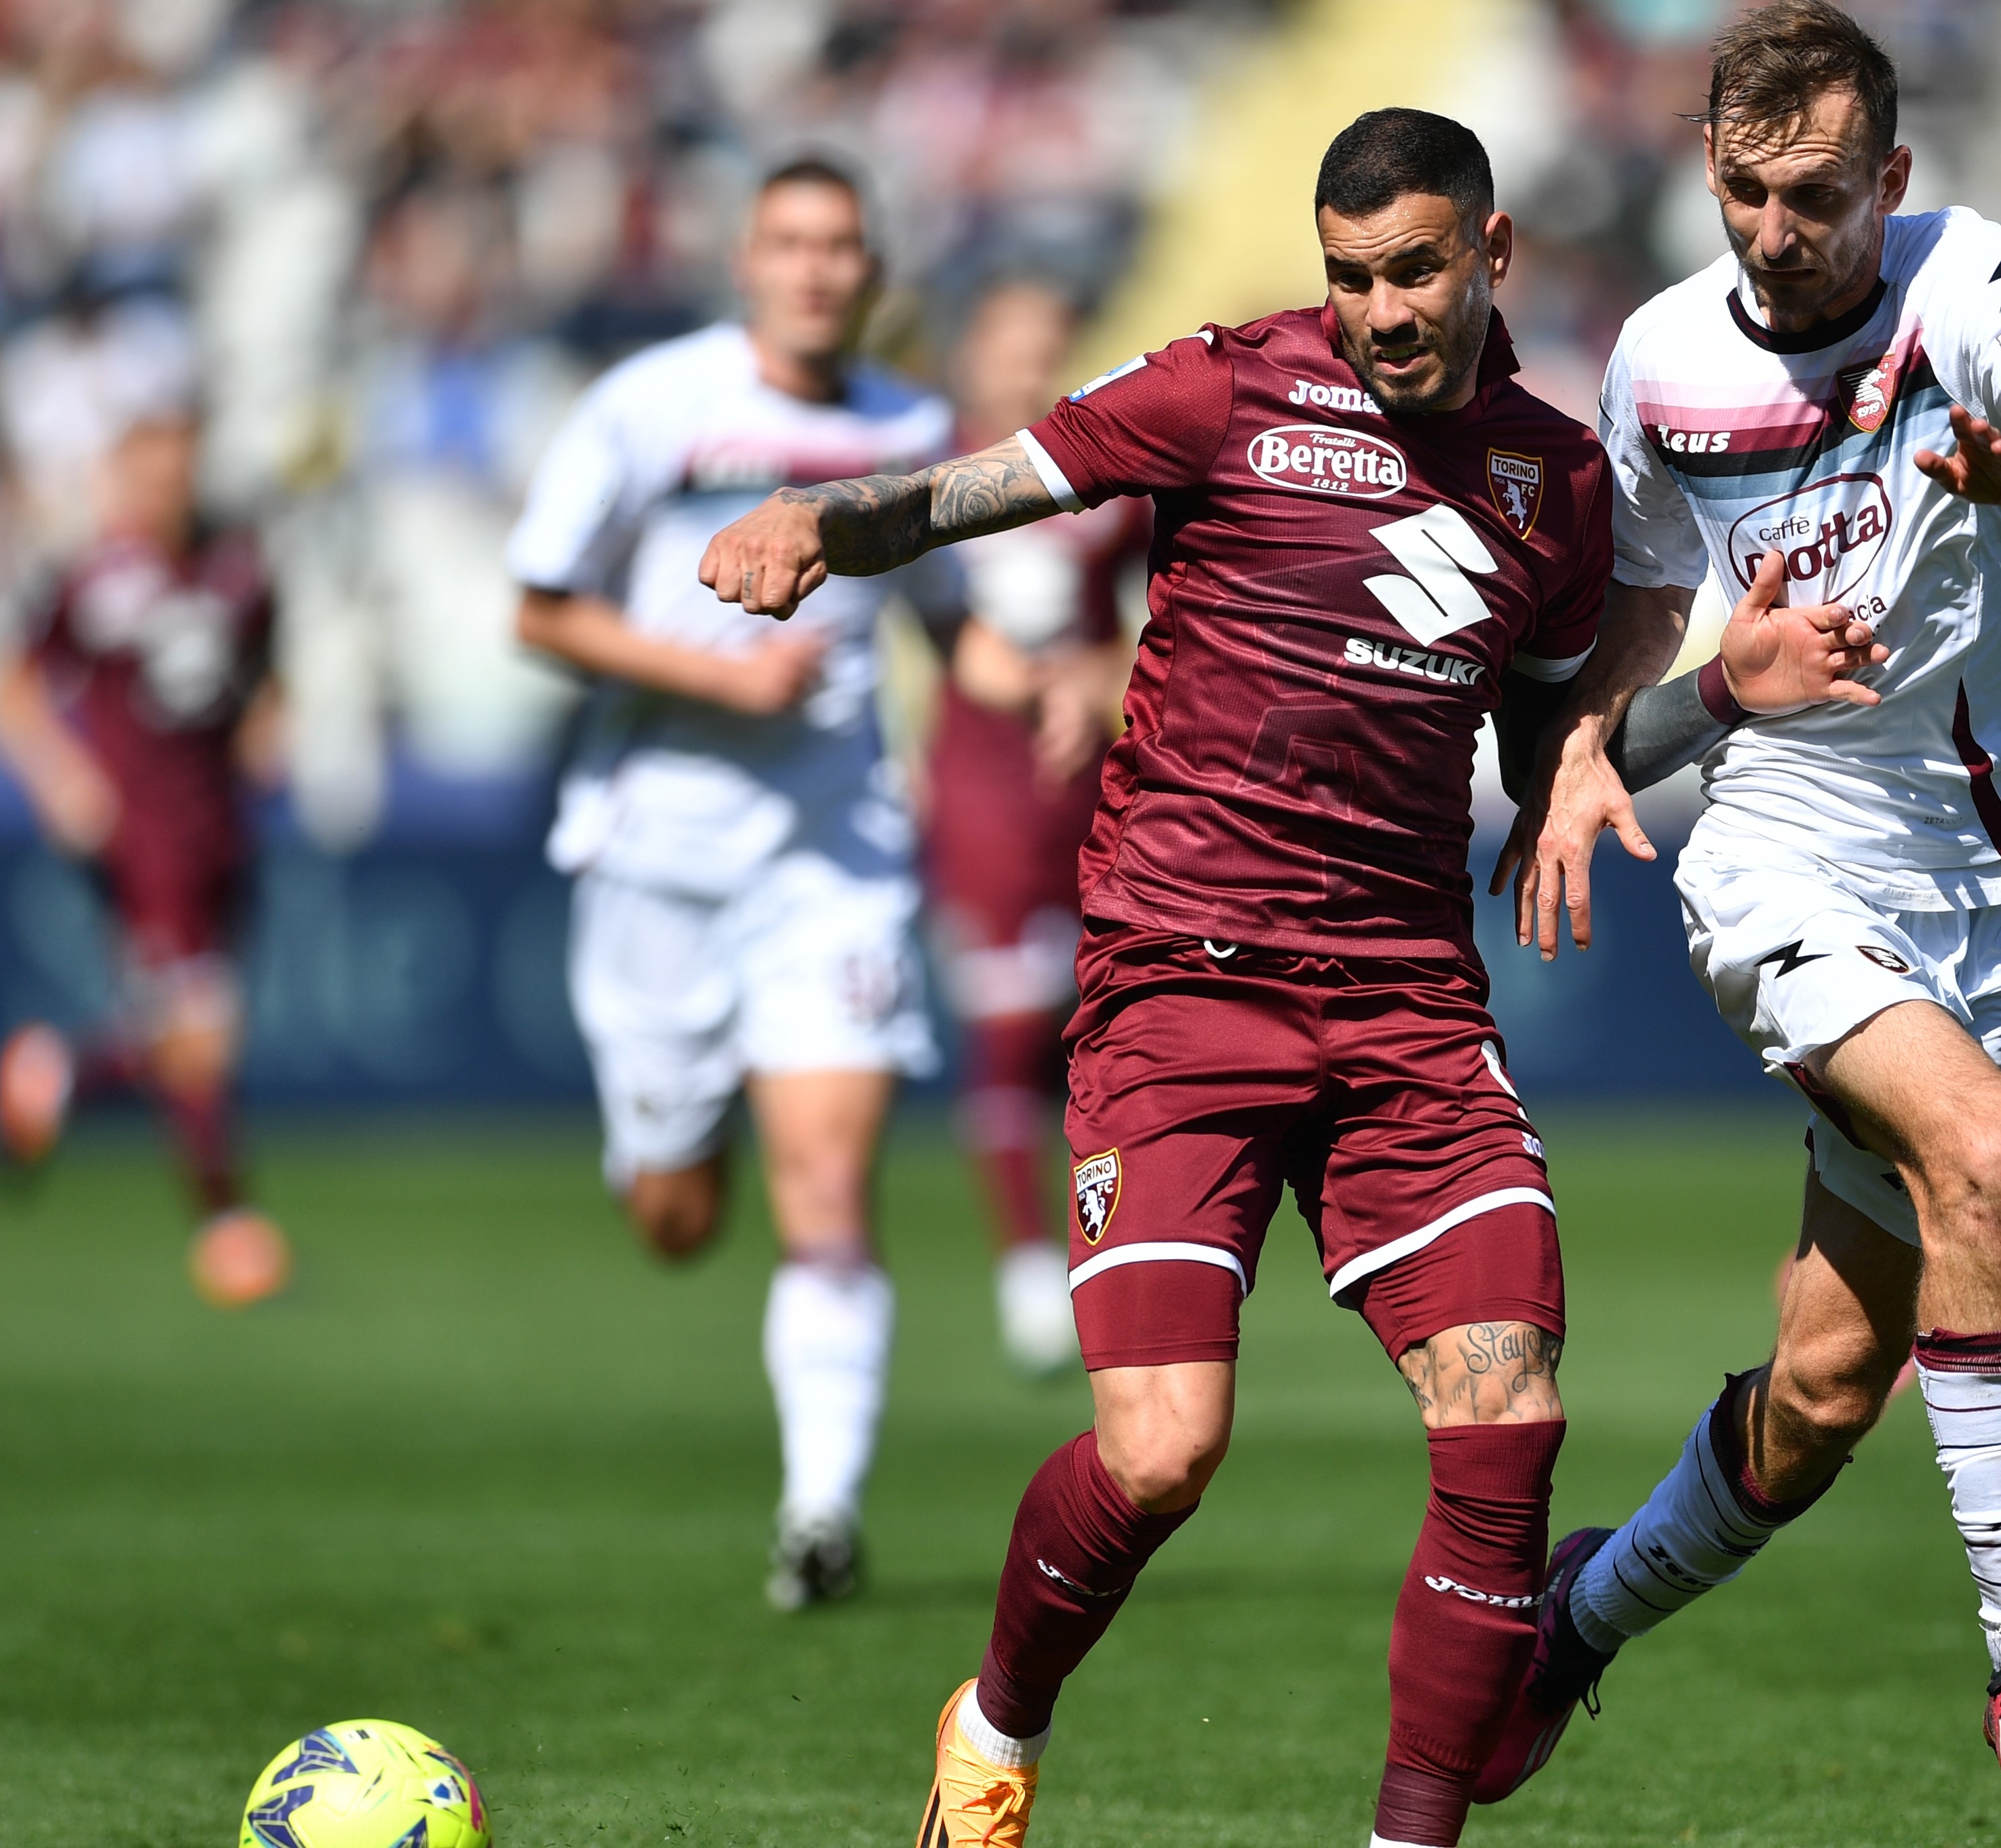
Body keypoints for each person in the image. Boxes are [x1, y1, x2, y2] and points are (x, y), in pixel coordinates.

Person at [703, 110, 1615, 1848]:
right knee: (1161, 1454)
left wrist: (1660, 725)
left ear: (1493, 256)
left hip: (1410, 1003)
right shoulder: (1226, 388)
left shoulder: (1555, 483)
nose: (1380, 313)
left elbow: (1554, 716)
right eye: (1350, 278)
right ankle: (996, 1720)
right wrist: (834, 516)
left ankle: (1409, 1836)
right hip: (1183, 987)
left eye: (1415, 271)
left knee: (1510, 1416)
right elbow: (997, 484)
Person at [1489, 0, 2001, 1807]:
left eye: (1824, 195)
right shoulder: (1659, 358)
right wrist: (1589, 752)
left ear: (1895, 181)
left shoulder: (1973, 286)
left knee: (1831, 1383)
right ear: (1710, 171)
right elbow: (1638, 604)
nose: (1783, 234)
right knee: (1987, 1156)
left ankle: (1574, 1623)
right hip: (1781, 850)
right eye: (1751, 193)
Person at [503, 158, 953, 1613]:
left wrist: (1061, 682)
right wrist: (718, 673)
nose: (819, 271)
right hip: (656, 855)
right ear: (748, 262)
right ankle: (679, 1142)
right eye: (793, 244)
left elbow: (955, 625)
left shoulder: (911, 430)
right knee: (677, 1219)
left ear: (873, 271)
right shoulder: (649, 403)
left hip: (834, 863)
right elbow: (537, 603)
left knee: (828, 1191)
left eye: (844, 246)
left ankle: (818, 1515)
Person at [0, 410, 292, 1309]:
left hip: (221, 829)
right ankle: (225, 1221)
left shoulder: (237, 570)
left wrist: (268, 729)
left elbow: (267, 673)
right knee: (198, 1035)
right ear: (120, 482)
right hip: (145, 838)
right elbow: (5, 683)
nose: (165, 492)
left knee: (195, 1036)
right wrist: (62, 780)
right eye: (148, 476)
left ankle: (63, 1074)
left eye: (178, 474)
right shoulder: (95, 581)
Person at [922, 279, 1143, 1379]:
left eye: (1047, 346)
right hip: (984, 790)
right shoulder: (932, 477)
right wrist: (1038, 684)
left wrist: (1101, 678)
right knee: (1009, 1032)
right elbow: (938, 630)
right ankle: (1023, 1267)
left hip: (1102, 786)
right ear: (971, 355)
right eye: (1007, 345)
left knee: (1102, 1033)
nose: (1025, 368)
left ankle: (1111, 1254)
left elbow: (1172, 617)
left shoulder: (1112, 475)